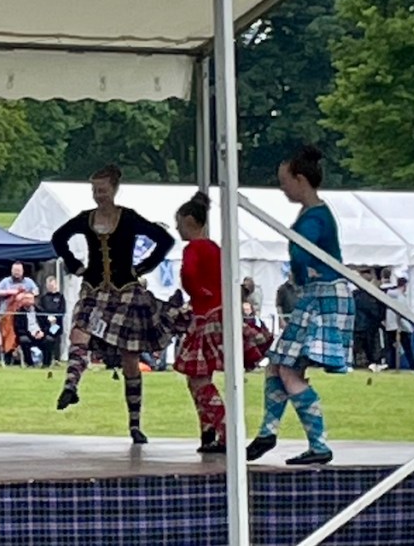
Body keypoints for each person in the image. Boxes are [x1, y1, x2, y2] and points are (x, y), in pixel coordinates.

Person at [50, 164, 187, 444]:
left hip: (126, 291)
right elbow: (58, 238)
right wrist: (76, 265)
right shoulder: (85, 219)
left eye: (102, 190)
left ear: (114, 190)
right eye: (94, 191)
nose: (98, 195)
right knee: (79, 333)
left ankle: (135, 424)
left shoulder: (129, 218)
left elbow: (164, 240)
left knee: (130, 357)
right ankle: (71, 386)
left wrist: (144, 267)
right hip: (94, 289)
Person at [247, 146, 354, 466]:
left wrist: (303, 269)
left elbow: (303, 255)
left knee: (289, 369)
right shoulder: (315, 214)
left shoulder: (315, 217)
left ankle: (318, 444)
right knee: (277, 364)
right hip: (316, 295)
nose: (282, 187)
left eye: (285, 180)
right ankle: (268, 432)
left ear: (300, 179)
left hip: (323, 297)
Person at [174, 192, 274, 453]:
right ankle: (210, 431)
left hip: (207, 315)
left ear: (189, 221)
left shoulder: (193, 248)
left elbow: (189, 275)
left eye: (179, 224)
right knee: (197, 376)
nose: (177, 229)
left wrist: (196, 293)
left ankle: (224, 429)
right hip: (222, 312)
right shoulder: (216, 249)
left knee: (198, 378)